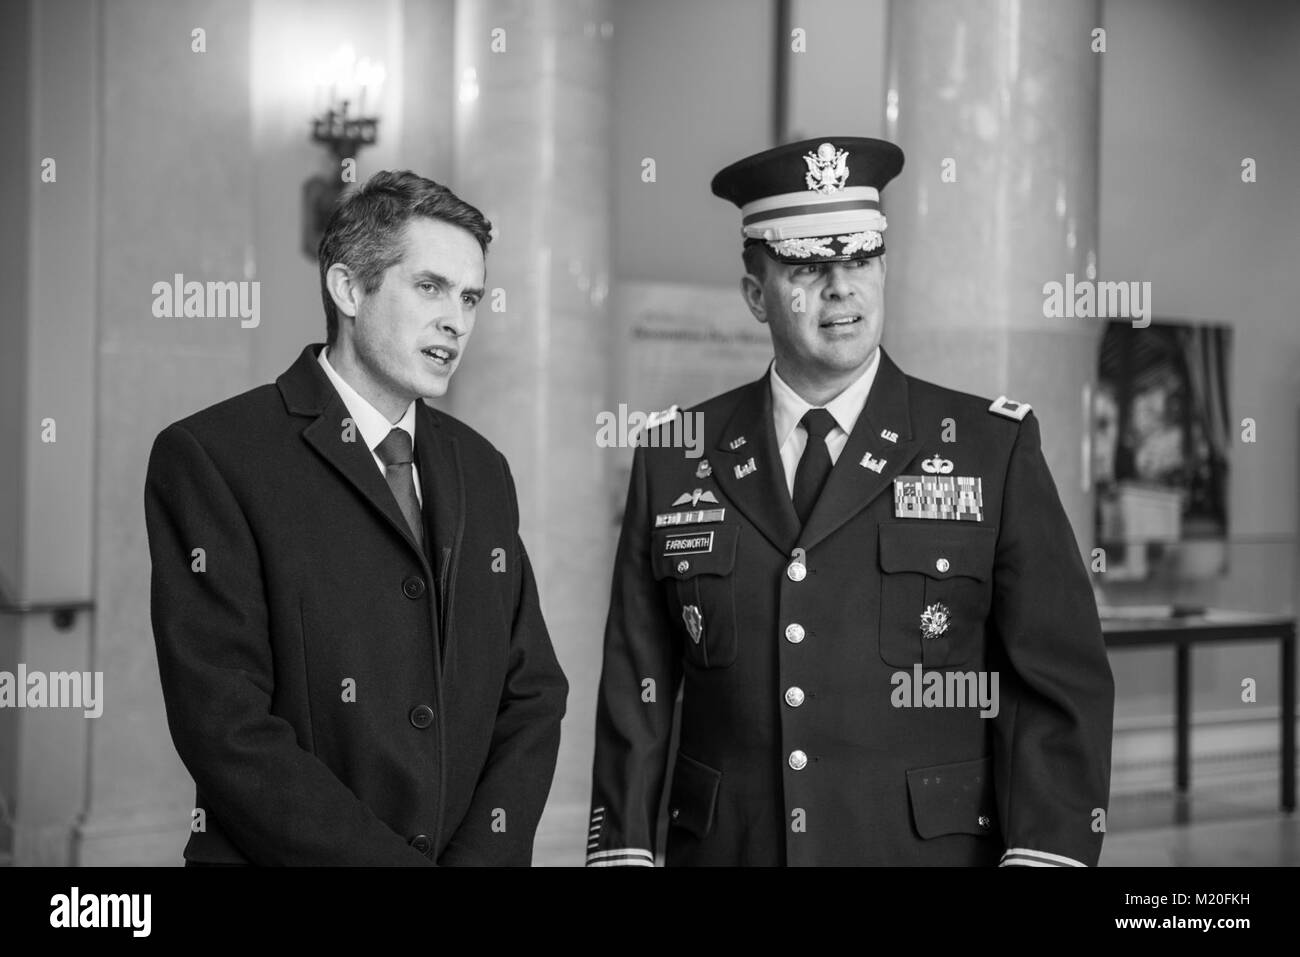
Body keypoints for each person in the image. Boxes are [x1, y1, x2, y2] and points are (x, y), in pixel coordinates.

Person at [587, 137, 1113, 867]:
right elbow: (635, 691)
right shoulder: (675, 454)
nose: (841, 286)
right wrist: (622, 853)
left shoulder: (992, 449)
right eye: (807, 265)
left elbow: (1057, 680)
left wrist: (1045, 856)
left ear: (884, 268)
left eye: (861, 258)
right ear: (754, 293)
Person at [145, 170, 567, 865]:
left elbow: (531, 695)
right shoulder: (215, 457)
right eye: (429, 286)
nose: (455, 320)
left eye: (470, 297)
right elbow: (226, 727)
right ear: (348, 288)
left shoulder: (481, 467)